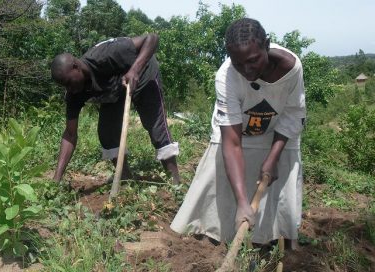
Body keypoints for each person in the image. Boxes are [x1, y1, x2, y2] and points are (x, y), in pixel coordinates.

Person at [171, 18, 306, 249]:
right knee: (221, 170)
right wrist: (243, 202)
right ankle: (215, 234)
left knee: (284, 165)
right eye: (238, 63)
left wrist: (272, 159)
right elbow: (232, 144)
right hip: (236, 128)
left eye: (253, 60)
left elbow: (293, 115)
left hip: (279, 128)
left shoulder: (291, 68)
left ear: (267, 44)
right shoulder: (226, 77)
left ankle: (274, 236)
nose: (247, 70)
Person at [50, 33, 180, 185]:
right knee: (108, 133)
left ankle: (175, 183)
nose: (69, 89)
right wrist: (56, 180)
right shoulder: (74, 92)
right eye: (64, 86)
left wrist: (135, 69)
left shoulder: (106, 54)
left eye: (68, 82)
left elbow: (152, 38)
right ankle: (125, 178)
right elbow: (70, 134)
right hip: (116, 87)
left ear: (75, 67)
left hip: (142, 70)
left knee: (155, 125)